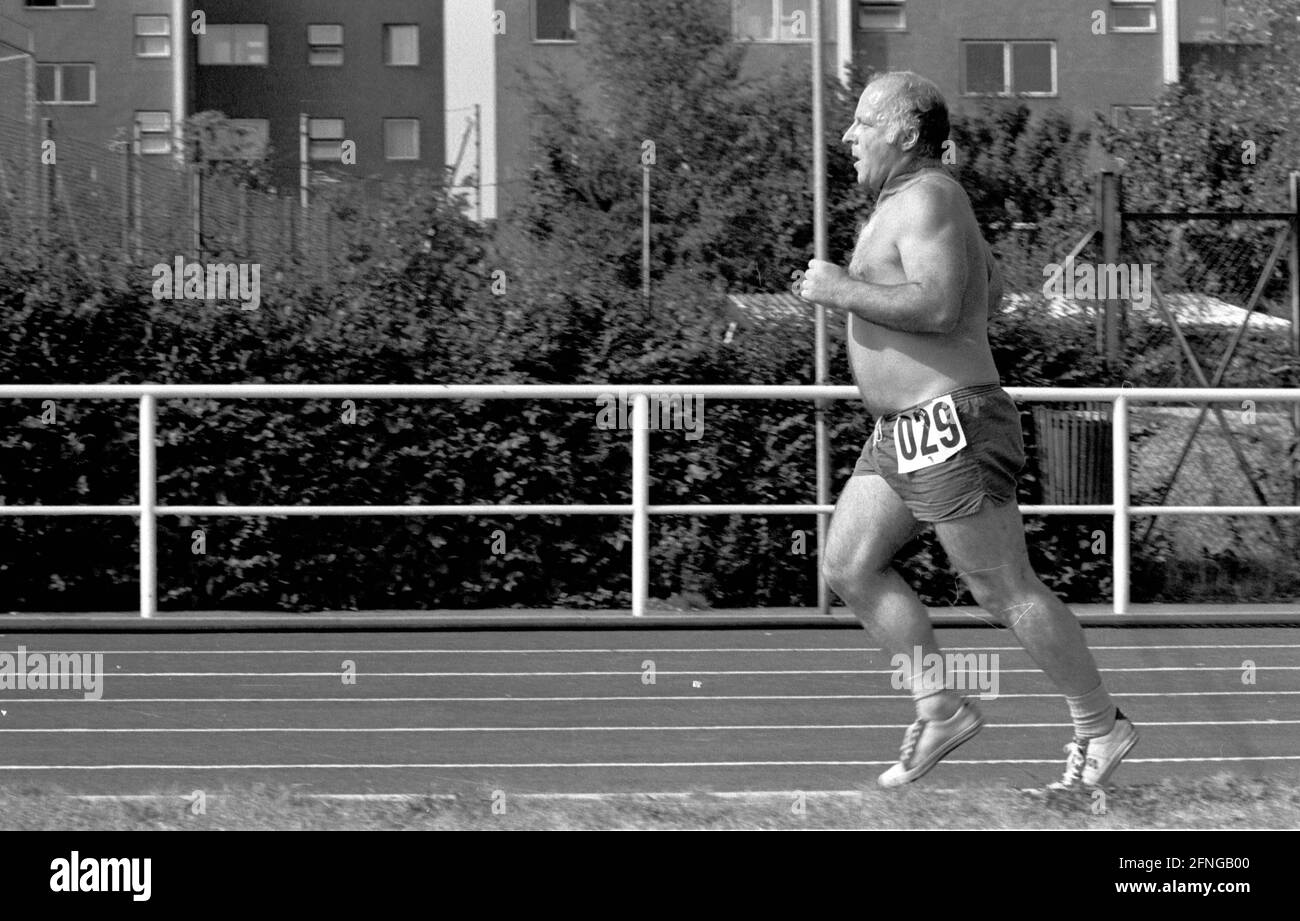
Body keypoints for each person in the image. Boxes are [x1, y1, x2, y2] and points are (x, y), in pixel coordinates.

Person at [795, 71, 1138, 790]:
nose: (849, 135)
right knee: (848, 565)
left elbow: (940, 307)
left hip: (946, 419)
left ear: (909, 132)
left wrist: (837, 290)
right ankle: (941, 703)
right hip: (903, 429)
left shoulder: (929, 193)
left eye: (863, 121)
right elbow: (990, 289)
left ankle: (1100, 726)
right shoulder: (916, 202)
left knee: (1003, 587)